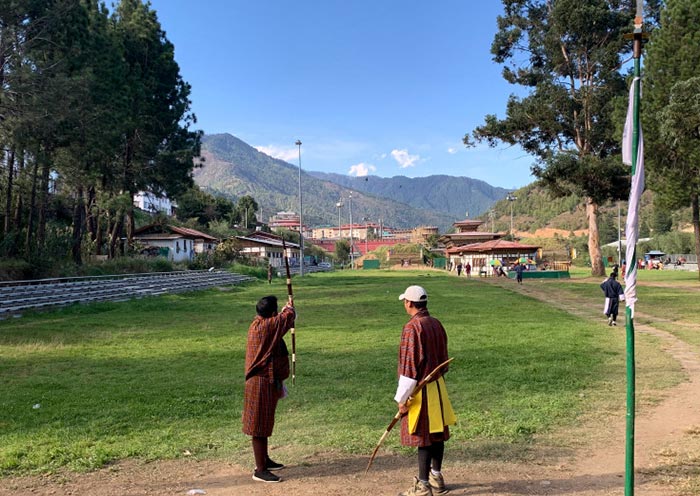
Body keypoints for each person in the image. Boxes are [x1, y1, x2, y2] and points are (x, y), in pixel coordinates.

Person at [395, 285, 457, 496]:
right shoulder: (436, 323)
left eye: (405, 301)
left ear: (409, 303)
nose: (405, 304)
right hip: (438, 388)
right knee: (436, 434)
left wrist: (402, 398)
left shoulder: (413, 328)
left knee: (424, 437)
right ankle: (436, 476)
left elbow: (409, 367)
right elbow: (444, 361)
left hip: (421, 390)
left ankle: (423, 485)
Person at [242, 295, 295, 483]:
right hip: (259, 382)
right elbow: (286, 318)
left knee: (265, 423)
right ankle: (260, 469)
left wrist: (284, 311)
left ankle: (264, 460)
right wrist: (289, 307)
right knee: (259, 427)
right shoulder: (265, 327)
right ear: (271, 314)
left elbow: (281, 321)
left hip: (266, 381)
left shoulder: (261, 323)